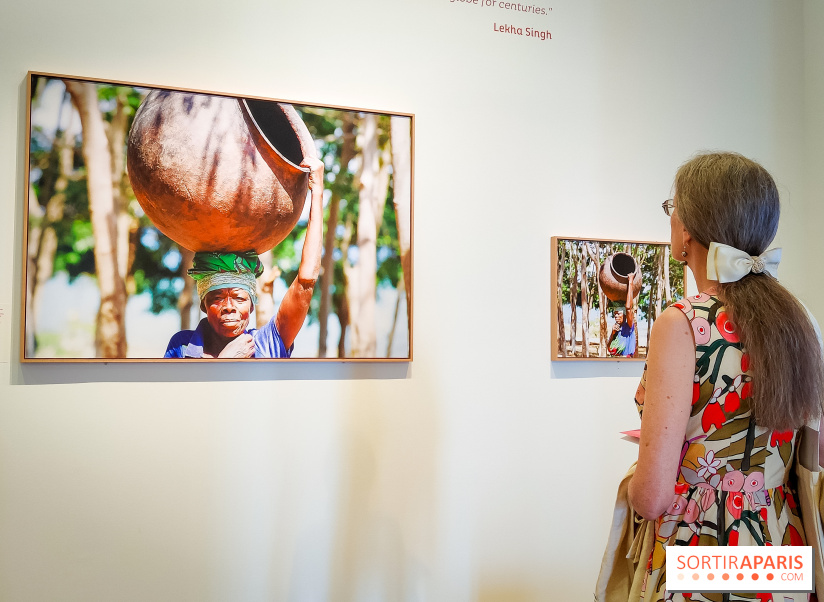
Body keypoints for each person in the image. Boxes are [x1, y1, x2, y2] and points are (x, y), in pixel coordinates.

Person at [597, 152, 824, 601]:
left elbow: (652, 498)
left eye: (672, 207)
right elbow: (813, 455)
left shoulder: (683, 323)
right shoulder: (801, 321)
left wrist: (639, 484)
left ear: (687, 231)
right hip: (781, 543)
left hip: (700, 544)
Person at [164, 157, 324, 359]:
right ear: (203, 304)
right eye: (217, 298)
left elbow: (306, 282)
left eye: (239, 298)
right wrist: (226, 360)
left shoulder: (266, 344)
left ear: (252, 304)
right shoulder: (182, 346)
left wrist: (317, 192)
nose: (229, 307)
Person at [608, 278, 637, 357]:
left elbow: (628, 308)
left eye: (618, 314)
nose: (616, 316)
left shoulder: (629, 326)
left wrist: (630, 282)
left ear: (625, 315)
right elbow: (609, 349)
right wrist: (613, 333)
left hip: (626, 361)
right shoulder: (616, 328)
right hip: (616, 361)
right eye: (615, 314)